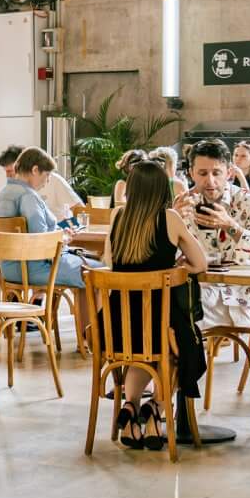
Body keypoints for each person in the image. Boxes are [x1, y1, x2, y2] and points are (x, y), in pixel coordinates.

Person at [98, 156, 214, 450]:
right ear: (164, 189)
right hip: (160, 322)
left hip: (116, 326)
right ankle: (157, 409)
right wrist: (172, 269)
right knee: (183, 348)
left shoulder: (117, 217)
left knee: (143, 354)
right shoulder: (169, 218)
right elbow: (200, 263)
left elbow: (110, 263)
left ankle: (130, 409)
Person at [177, 139, 250, 332]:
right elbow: (168, 257)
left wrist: (231, 226)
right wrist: (170, 221)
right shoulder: (183, 205)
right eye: (202, 173)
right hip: (197, 291)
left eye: (216, 173)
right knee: (157, 309)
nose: (210, 181)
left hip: (241, 297)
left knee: (174, 321)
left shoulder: (249, 203)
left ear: (229, 173)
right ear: (191, 173)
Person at [0, 147, 88, 298]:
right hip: (37, 268)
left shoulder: (3, 194)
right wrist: (63, 238)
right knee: (94, 272)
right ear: (35, 170)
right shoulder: (29, 196)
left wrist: (60, 233)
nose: (48, 179)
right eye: (47, 174)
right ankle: (98, 322)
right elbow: (40, 241)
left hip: (10, 269)